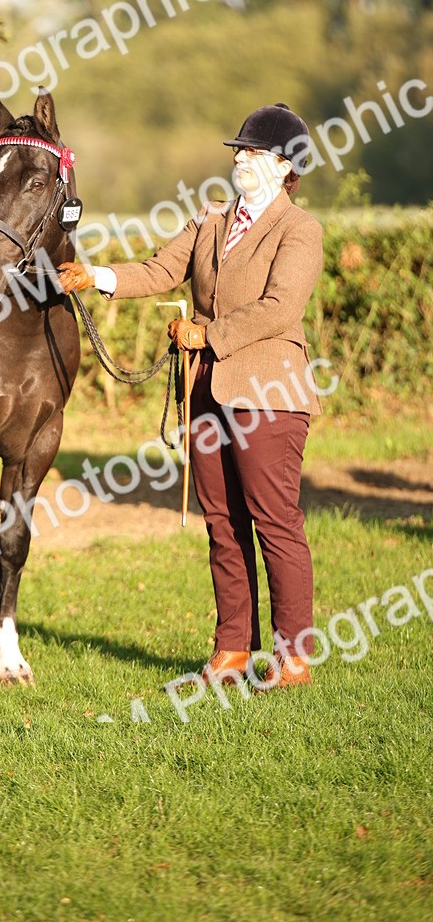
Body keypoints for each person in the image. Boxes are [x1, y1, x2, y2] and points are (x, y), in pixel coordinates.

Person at [58, 104, 324, 690]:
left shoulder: (299, 229)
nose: (241, 160)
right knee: (223, 522)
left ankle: (293, 657)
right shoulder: (210, 221)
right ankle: (232, 651)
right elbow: (159, 270)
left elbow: (282, 307)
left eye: (254, 153)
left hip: (269, 392)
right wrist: (94, 275)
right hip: (206, 388)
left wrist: (210, 334)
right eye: (240, 151)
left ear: (286, 168)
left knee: (273, 520)